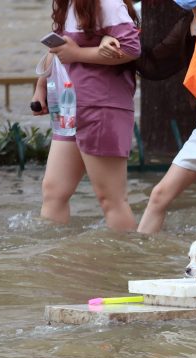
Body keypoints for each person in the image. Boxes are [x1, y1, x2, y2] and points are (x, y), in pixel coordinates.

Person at [32, 0, 140, 230]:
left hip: (102, 107)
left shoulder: (108, 4)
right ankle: (54, 260)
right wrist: (41, 86)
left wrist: (78, 53)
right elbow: (58, 50)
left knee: (111, 199)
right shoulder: (67, 5)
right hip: (70, 107)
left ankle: (125, 261)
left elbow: (132, 48)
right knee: (53, 191)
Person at [134, 0, 196, 234]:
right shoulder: (187, 23)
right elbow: (156, 63)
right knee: (159, 196)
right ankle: (140, 259)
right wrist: (125, 45)